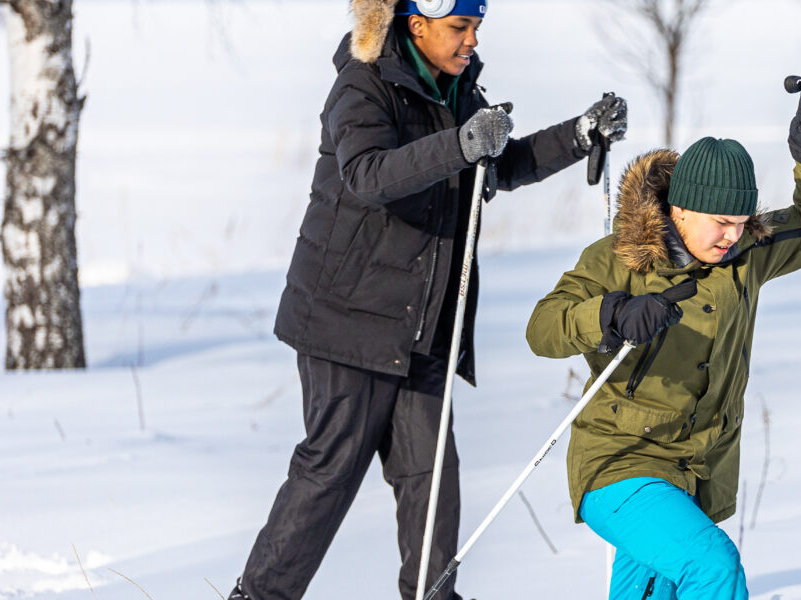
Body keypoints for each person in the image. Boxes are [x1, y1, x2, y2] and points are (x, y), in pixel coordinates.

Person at [232, 0, 630, 598]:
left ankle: (431, 595)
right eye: (459, 27)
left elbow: (502, 162)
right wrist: (461, 145)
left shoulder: (457, 92)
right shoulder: (362, 85)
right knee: (330, 469)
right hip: (348, 322)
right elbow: (368, 175)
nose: (471, 40)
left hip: (421, 328)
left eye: (476, 27)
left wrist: (576, 137)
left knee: (431, 476)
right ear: (416, 25)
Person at [524, 75, 801, 599]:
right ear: (680, 208)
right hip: (618, 463)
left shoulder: (746, 257)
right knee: (711, 565)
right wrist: (611, 315)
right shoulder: (618, 258)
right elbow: (542, 328)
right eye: (721, 222)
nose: (733, 236)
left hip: (695, 471)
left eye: (742, 222)